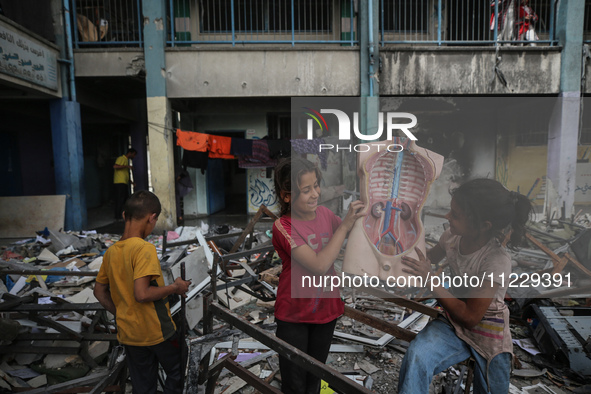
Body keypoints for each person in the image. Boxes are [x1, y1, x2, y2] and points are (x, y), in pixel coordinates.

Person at [398, 179, 533, 394]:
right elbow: (428, 257)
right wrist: (402, 240)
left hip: (489, 331)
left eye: (455, 214)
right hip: (454, 320)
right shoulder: (452, 237)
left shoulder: (495, 260)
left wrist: (430, 279)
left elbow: (471, 317)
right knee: (417, 356)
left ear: (483, 225)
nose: (447, 217)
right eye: (450, 210)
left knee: (492, 389)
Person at [271, 157, 364, 394]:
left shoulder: (324, 214)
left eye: (316, 185)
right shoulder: (283, 226)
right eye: (306, 190)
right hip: (294, 316)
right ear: (287, 195)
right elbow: (319, 265)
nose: (315, 194)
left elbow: (353, 234)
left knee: (315, 379)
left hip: (326, 311)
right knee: (295, 385)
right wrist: (343, 227)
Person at [94, 190, 191, 394]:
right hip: (156, 331)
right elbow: (142, 294)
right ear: (152, 217)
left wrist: (120, 312)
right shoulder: (143, 248)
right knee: (178, 371)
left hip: (130, 334)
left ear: (124, 215)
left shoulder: (111, 251)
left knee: (143, 385)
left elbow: (99, 291)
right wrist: (175, 287)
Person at [113, 148, 137, 220]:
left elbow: (125, 174)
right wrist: (127, 166)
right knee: (120, 199)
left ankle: (124, 215)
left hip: (124, 183)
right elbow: (115, 166)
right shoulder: (121, 158)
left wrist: (131, 182)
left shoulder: (126, 161)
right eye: (134, 154)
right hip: (119, 182)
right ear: (130, 153)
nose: (134, 156)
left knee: (125, 200)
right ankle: (117, 216)